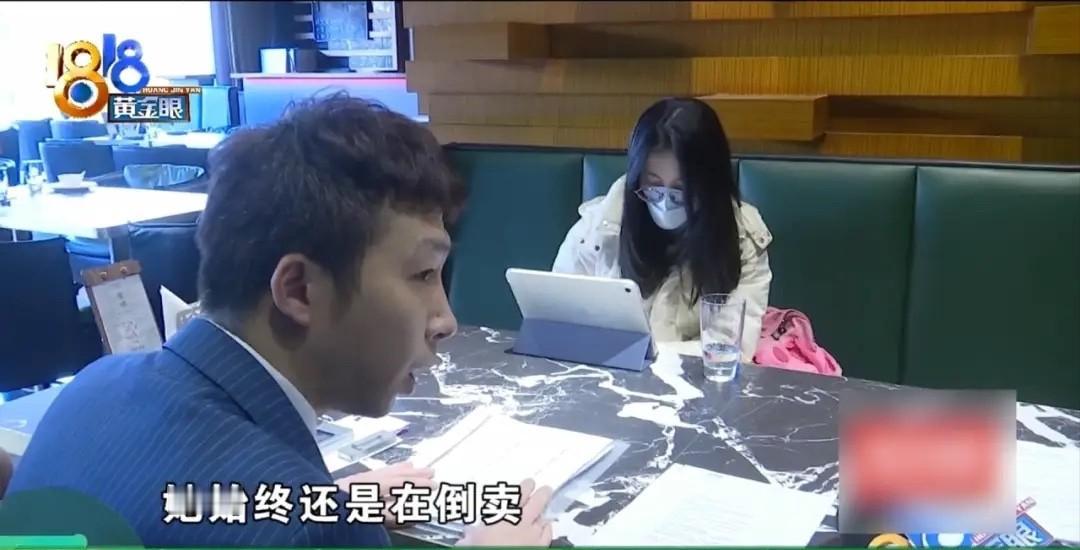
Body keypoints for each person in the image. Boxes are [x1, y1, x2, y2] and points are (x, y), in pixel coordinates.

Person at [6, 94, 553, 547]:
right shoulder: (308, 536)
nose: (445, 321)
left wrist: (324, 500)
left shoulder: (94, 386)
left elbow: (175, 499)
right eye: (423, 274)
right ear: (297, 290)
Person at [553, 97, 773, 361]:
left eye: (681, 190)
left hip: (695, 382)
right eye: (654, 186)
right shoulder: (598, 227)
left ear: (710, 186)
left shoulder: (743, 239)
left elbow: (729, 348)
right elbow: (558, 318)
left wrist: (640, 353)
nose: (665, 203)